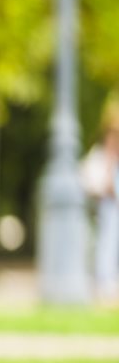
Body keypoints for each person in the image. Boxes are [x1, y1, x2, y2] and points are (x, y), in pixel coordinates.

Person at [81, 95, 119, 303]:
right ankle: (106, 286)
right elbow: (89, 184)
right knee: (107, 244)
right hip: (105, 210)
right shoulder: (98, 157)